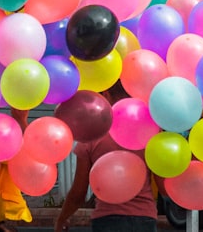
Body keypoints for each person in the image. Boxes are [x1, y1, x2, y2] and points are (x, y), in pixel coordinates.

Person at [55, 82, 158, 232]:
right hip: (144, 218)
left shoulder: (93, 134)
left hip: (107, 220)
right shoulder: (150, 133)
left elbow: (78, 193)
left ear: (106, 95)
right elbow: (163, 185)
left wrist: (62, 219)